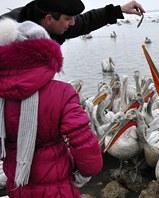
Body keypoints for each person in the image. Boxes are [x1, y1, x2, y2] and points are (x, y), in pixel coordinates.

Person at [0, 17, 103, 197]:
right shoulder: (62, 93)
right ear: (47, 53)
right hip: (57, 189)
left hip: (17, 186)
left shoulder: (2, 96)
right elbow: (84, 144)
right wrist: (85, 174)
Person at [0, 0, 145, 45]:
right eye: (68, 18)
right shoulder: (6, 35)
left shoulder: (52, 25)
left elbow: (86, 21)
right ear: (49, 19)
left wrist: (119, 10)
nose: (73, 23)